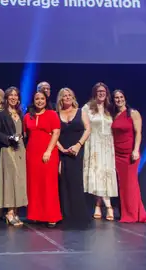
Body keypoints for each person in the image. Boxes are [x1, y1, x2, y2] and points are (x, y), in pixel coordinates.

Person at [24, 90, 61, 227]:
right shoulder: (28, 116)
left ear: (46, 100)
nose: (39, 101)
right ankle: (35, 215)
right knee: (34, 184)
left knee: (48, 184)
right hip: (32, 153)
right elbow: (25, 134)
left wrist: (49, 151)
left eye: (42, 98)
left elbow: (56, 132)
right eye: (37, 99)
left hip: (48, 153)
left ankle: (52, 215)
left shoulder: (52, 114)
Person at [112, 90, 146, 223]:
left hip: (129, 154)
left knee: (131, 184)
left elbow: (138, 133)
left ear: (125, 99)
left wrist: (136, 150)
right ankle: (128, 213)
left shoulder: (133, 113)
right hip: (117, 154)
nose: (119, 99)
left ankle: (133, 214)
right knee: (122, 185)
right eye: (116, 98)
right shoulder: (114, 115)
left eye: (121, 97)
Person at [56, 88, 91, 225]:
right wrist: (61, 149)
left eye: (70, 95)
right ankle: (66, 215)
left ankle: (79, 215)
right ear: (61, 99)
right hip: (61, 151)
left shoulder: (81, 112)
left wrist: (78, 145)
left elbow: (88, 129)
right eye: (64, 96)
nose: (67, 97)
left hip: (76, 150)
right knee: (63, 182)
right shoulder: (56, 114)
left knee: (76, 181)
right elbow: (52, 133)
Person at [82, 82, 117, 221]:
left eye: (103, 91)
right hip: (94, 145)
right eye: (99, 91)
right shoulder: (87, 108)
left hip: (108, 146)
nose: (101, 93)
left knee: (105, 175)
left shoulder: (110, 109)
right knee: (97, 174)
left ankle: (98, 204)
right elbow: (86, 128)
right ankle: (108, 207)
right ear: (95, 93)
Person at [0, 87, 27, 226]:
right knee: (10, 181)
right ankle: (9, 212)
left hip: (21, 149)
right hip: (8, 150)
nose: (13, 98)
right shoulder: (0, 114)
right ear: (6, 98)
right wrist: (9, 139)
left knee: (19, 181)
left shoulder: (21, 113)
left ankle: (16, 211)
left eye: (15, 95)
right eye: (10, 95)